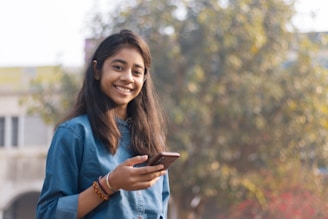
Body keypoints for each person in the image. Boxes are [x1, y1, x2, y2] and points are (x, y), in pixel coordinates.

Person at [36, 29, 170, 219]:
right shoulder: (74, 134)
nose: (128, 78)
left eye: (137, 72)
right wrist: (109, 184)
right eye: (118, 67)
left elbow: (160, 211)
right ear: (97, 70)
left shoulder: (151, 140)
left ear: (144, 79)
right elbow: (48, 214)